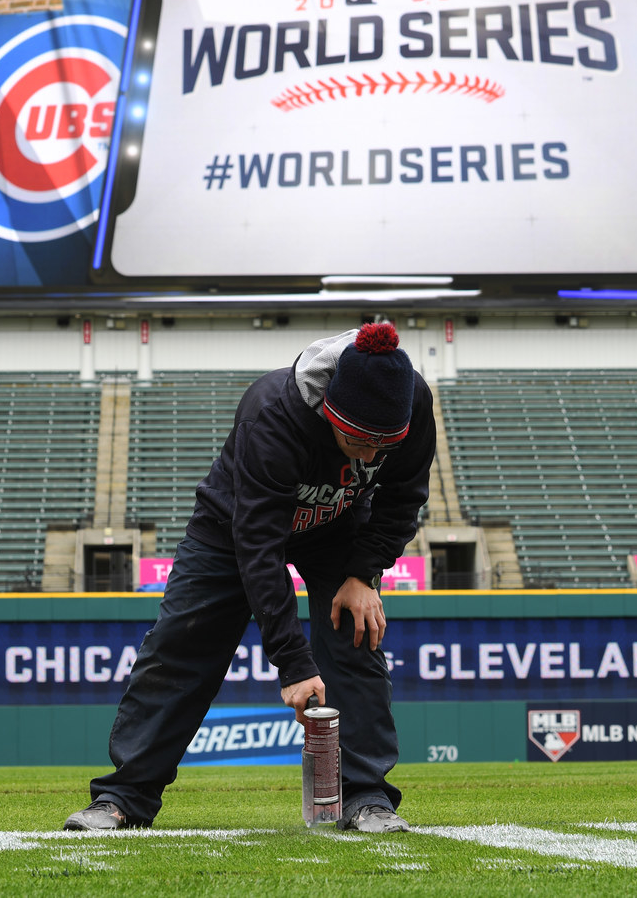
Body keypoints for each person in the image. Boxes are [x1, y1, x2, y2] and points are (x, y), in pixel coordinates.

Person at [65, 323, 435, 834]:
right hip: (232, 528)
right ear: (330, 409)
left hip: (339, 532)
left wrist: (362, 573)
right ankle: (123, 797)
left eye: (383, 445)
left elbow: (403, 498)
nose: (370, 457)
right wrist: (293, 664)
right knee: (179, 648)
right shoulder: (271, 413)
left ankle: (367, 797)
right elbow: (259, 548)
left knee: (356, 638)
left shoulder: (413, 402)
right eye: (359, 440)